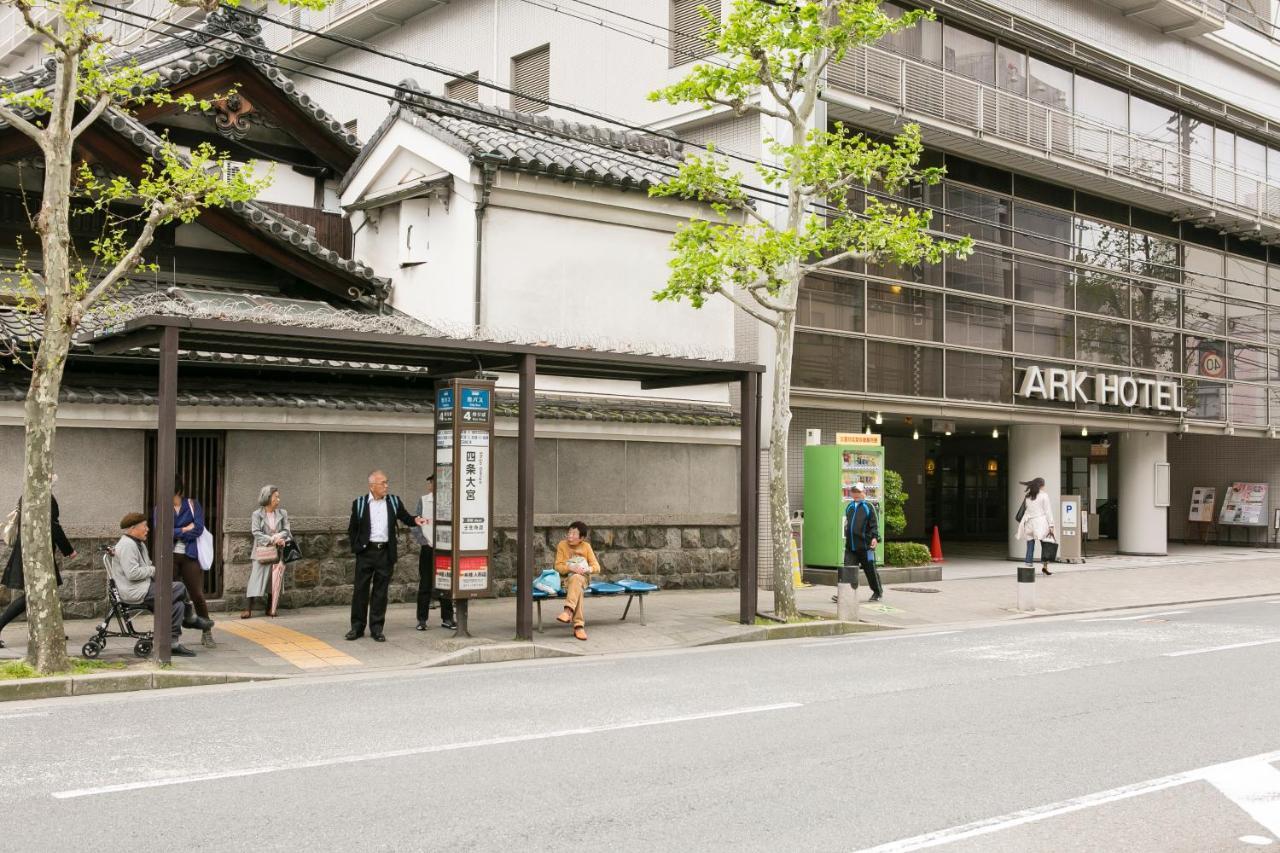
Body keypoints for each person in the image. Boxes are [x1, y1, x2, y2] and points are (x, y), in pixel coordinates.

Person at [110, 512, 209, 657]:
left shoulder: (139, 545)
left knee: (177, 605)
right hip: (134, 591)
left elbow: (144, 567)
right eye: (144, 526)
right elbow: (132, 574)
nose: (148, 529)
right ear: (132, 528)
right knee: (179, 587)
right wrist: (153, 570)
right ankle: (189, 618)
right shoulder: (127, 545)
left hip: (144, 587)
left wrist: (150, 570)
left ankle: (173, 643)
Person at [346, 470, 424, 642]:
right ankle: (357, 628)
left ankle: (377, 628)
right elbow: (352, 529)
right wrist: (357, 547)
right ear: (372, 486)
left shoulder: (393, 501)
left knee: (381, 592)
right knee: (360, 591)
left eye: (387, 482)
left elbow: (405, 517)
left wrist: (416, 520)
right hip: (366, 552)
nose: (386, 486)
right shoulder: (359, 503)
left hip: (385, 552)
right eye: (383, 483)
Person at [0, 480, 76, 649]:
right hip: (39, 555)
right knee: (34, 595)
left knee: (45, 592)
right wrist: (69, 550)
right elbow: (53, 526)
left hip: (29, 551)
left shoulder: (25, 496)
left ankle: (51, 631)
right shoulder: (46, 497)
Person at [171, 481, 215, 647]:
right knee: (170, 594)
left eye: (173, 493)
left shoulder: (192, 504)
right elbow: (161, 530)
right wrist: (183, 529)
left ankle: (207, 631)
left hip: (191, 555)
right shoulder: (160, 507)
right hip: (170, 556)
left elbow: (198, 528)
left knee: (197, 594)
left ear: (179, 491)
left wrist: (176, 532)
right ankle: (172, 634)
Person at [413, 475, 455, 631]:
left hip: (444, 549)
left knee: (445, 584)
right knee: (425, 584)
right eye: (430, 482)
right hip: (428, 547)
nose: (431, 485)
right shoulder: (423, 501)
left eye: (435, 482)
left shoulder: (450, 501)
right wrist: (423, 541)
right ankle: (422, 619)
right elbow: (415, 523)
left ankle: (448, 618)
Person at [246, 485, 291, 619]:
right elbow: (256, 532)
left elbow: (286, 530)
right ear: (268, 497)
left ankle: (270, 608)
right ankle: (248, 609)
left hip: (277, 551)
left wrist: (280, 538)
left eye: (278, 496)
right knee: (255, 579)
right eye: (275, 496)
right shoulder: (257, 514)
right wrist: (272, 539)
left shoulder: (282, 513)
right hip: (261, 551)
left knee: (275, 579)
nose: (278, 499)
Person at [554, 521, 600, 641]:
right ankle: (578, 626)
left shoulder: (586, 547)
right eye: (569, 533)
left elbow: (597, 567)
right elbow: (557, 566)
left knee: (577, 578)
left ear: (582, 538)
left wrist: (586, 568)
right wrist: (570, 568)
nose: (570, 536)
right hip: (566, 580)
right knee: (575, 582)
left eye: (574, 534)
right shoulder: (562, 545)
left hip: (583, 579)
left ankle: (567, 611)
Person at [843, 482, 883, 602]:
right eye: (854, 492)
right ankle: (847, 593)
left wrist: (875, 538)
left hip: (866, 546)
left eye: (858, 492)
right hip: (851, 546)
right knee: (848, 569)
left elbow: (874, 525)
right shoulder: (849, 507)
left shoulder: (868, 506)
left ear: (863, 493)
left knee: (870, 570)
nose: (856, 494)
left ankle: (877, 592)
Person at [1017, 477, 1056, 575]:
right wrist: (1051, 524)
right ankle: (1045, 567)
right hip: (1041, 523)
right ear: (1041, 485)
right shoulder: (1044, 496)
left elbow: (1026, 510)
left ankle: (1028, 567)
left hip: (1029, 523)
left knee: (1030, 545)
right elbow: (1048, 511)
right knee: (1046, 545)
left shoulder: (1028, 496)